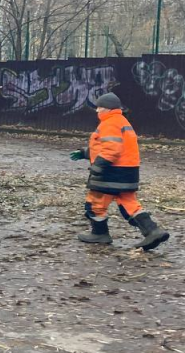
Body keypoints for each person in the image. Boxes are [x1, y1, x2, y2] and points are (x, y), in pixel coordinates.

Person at [71, 92, 169, 250]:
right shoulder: (121, 122)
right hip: (127, 172)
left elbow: (112, 149)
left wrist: (98, 166)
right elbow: (109, 147)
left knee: (95, 203)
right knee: (129, 203)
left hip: (111, 172)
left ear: (108, 109)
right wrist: (84, 153)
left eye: (99, 108)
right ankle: (152, 231)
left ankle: (99, 233)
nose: (97, 111)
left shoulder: (109, 123)